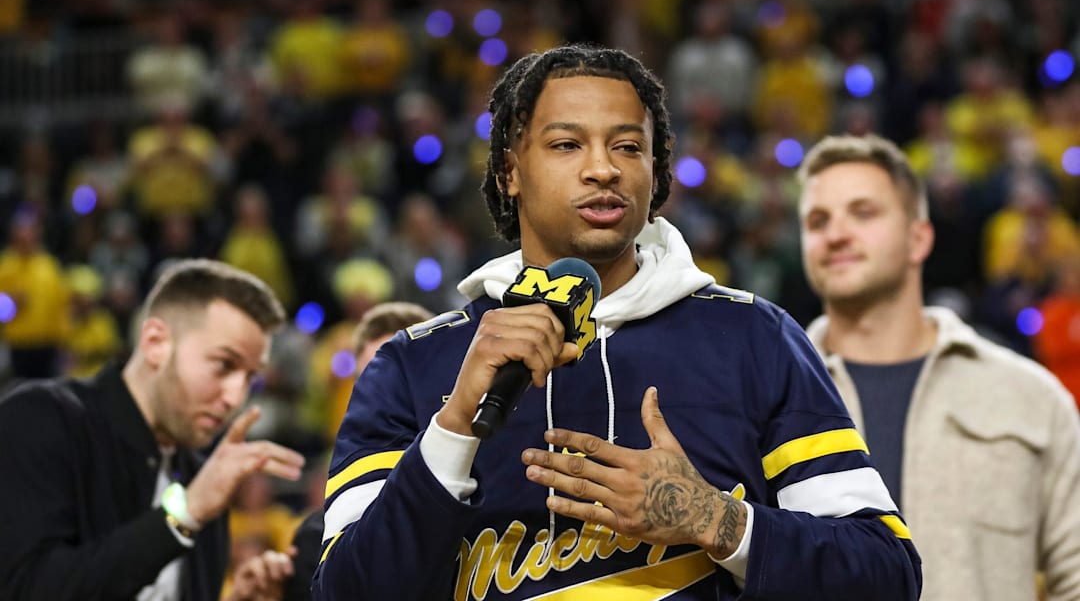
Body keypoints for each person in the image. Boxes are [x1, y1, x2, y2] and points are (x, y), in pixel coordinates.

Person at [314, 45, 921, 601]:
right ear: (510, 172)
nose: (603, 169)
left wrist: (713, 519)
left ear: (655, 173)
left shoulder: (755, 338)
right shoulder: (416, 364)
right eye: (566, 145)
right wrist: (452, 427)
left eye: (628, 147)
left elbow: (885, 575)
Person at [796, 133, 1080, 600]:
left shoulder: (1031, 398)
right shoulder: (761, 398)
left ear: (918, 237)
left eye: (863, 213)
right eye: (817, 220)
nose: (837, 233)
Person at [0, 258, 307, 600]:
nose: (236, 398)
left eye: (251, 377)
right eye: (224, 364)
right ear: (156, 343)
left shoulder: (203, 479)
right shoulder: (42, 418)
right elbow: (26, 589)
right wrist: (183, 516)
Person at [283, 301, 433, 601]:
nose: (388, 403)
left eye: (404, 383)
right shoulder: (316, 540)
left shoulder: (489, 505)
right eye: (373, 385)